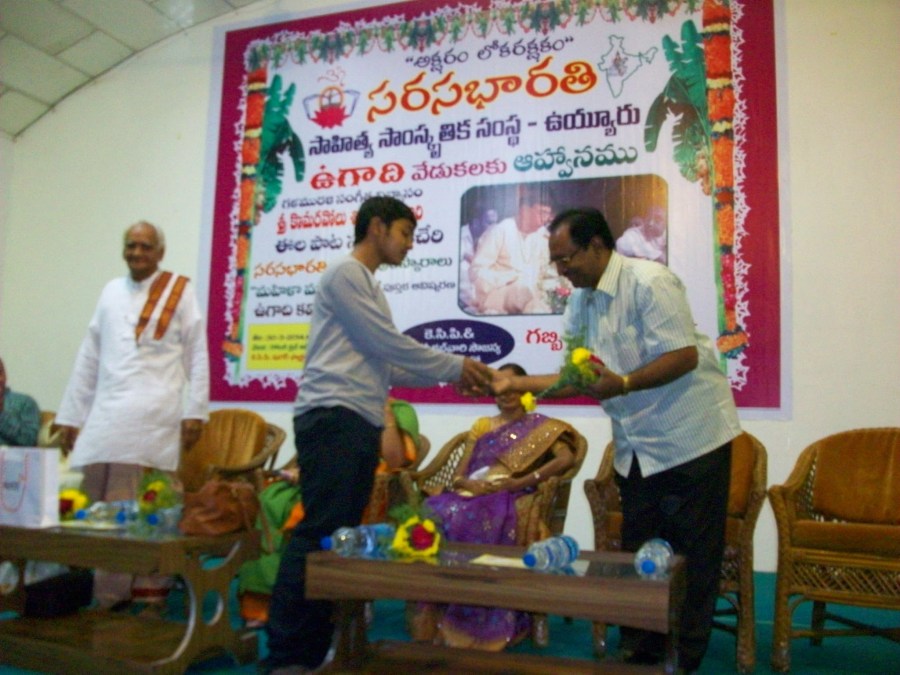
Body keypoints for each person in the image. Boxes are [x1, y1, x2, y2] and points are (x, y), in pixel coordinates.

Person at [493, 207, 740, 673]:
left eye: (566, 258)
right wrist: (517, 384)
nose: (561, 270)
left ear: (597, 246)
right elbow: (577, 377)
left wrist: (623, 383)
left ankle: (683, 657)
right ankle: (641, 651)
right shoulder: (579, 304)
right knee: (638, 554)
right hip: (637, 449)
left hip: (690, 438)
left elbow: (683, 356)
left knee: (691, 557)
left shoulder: (650, 282)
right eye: (555, 261)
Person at [260, 196, 492, 674]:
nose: (409, 244)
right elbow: (385, 343)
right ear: (377, 227)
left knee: (334, 535)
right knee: (318, 533)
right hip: (334, 417)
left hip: (355, 420)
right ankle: (285, 654)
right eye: (405, 233)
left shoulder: (367, 286)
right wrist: (456, 366)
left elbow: (386, 365)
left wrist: (453, 379)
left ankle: (313, 649)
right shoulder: (345, 274)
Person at [55, 220, 209, 609]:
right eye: (130, 245)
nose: (137, 253)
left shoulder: (180, 290)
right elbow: (89, 355)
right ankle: (107, 597)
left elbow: (197, 352)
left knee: (150, 507)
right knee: (98, 508)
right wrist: (71, 414)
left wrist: (196, 410)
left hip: (153, 418)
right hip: (106, 417)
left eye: (145, 246)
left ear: (160, 252)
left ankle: (149, 595)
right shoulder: (110, 291)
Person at [411, 362, 576, 651]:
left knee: (480, 513)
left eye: (512, 386)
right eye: (500, 387)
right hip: (472, 491)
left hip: (510, 492)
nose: (506, 393)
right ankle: (438, 608)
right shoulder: (483, 426)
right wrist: (468, 484)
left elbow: (565, 459)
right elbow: (460, 473)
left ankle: (484, 613)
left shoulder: (543, 426)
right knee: (433, 509)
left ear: (525, 389)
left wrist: (521, 481)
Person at [469, 185, 560, 314]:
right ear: (524, 210)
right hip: (498, 295)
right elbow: (476, 271)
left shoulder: (542, 236)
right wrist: (508, 277)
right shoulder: (500, 231)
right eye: (542, 213)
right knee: (523, 292)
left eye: (547, 214)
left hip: (531, 296)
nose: (545, 219)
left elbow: (547, 271)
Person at [0, 356, 41, 447]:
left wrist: (1, 414)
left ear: (5, 375)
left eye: (0, 372)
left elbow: (29, 440)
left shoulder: (24, 403)